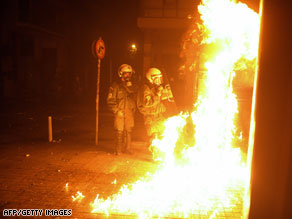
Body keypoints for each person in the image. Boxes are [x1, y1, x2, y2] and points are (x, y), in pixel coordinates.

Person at [107, 64, 136, 155]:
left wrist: (130, 87)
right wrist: (116, 111)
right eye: (125, 74)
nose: (127, 76)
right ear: (121, 74)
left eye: (129, 74)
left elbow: (135, 98)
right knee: (119, 130)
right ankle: (118, 150)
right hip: (119, 111)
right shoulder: (115, 86)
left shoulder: (132, 86)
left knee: (129, 130)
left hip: (129, 111)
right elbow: (110, 100)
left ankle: (128, 149)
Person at [137, 67, 167, 145]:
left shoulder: (154, 88)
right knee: (154, 136)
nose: (159, 81)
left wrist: (165, 93)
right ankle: (155, 154)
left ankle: (160, 152)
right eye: (157, 78)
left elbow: (159, 102)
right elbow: (147, 103)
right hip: (150, 116)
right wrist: (157, 95)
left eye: (160, 78)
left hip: (158, 115)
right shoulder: (145, 88)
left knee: (164, 133)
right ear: (151, 78)